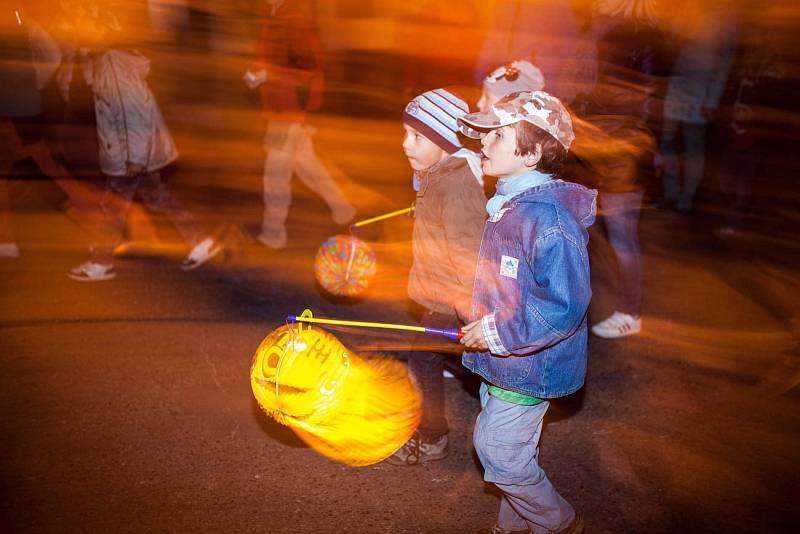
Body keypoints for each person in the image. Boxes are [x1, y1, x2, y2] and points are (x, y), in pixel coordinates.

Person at [458, 90, 594, 534]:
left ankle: (557, 523)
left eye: (498, 135)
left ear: (533, 153)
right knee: (515, 450)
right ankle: (515, 526)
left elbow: (564, 304)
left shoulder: (549, 220)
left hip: (530, 361)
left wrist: (497, 331)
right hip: (507, 359)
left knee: (496, 448)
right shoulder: (511, 206)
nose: (485, 142)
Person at [68, 4, 221, 281]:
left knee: (113, 206)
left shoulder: (113, 60)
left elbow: (131, 111)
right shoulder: (104, 58)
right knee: (157, 197)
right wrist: (85, 54)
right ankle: (201, 241)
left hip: (130, 151)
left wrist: (135, 157)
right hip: (130, 149)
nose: (80, 28)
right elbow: (94, 84)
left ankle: (101, 262)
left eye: (86, 23)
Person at [385, 88, 487, 466]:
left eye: (416, 137)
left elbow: (467, 249)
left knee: (423, 359)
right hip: (444, 292)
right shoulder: (439, 173)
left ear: (445, 141)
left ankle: (431, 439)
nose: (405, 144)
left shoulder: (456, 186)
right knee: (456, 358)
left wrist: (468, 306)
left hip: (450, 297)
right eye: (405, 133)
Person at [243, 0, 355, 250]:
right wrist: (257, 73)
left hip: (290, 111)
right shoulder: (271, 16)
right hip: (279, 108)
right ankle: (344, 210)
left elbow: (308, 69)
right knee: (307, 166)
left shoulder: (293, 20)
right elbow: (277, 61)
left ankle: (273, 235)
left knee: (275, 175)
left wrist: (268, 75)